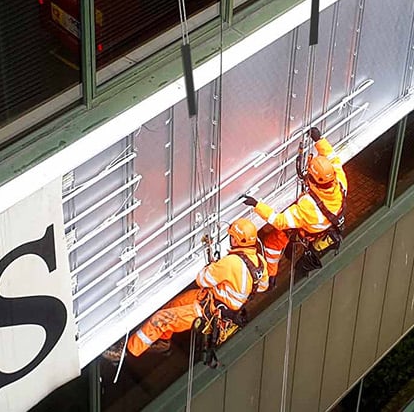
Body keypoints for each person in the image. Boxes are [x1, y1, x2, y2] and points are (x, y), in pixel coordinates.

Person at [110, 219, 263, 359]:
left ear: (236, 239)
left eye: (232, 237)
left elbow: (203, 279)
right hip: (210, 299)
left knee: (160, 319)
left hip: (207, 311)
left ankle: (127, 351)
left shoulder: (231, 263)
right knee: (173, 305)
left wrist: (217, 270)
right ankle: (163, 342)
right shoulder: (259, 263)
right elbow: (263, 285)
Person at [241, 127, 347, 292]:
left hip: (306, 228)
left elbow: (280, 221)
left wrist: (257, 205)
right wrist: (319, 140)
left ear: (312, 179)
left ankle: (271, 276)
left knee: (273, 243)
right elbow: (332, 158)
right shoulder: (340, 183)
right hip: (318, 226)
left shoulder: (308, 208)